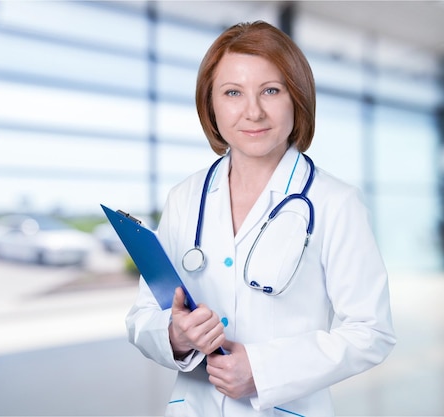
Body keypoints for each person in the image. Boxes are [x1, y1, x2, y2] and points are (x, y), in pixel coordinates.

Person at [125, 21, 396, 416]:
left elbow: (371, 332)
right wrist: (174, 336)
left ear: (297, 98)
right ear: (211, 105)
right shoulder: (185, 197)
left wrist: (264, 371)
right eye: (233, 92)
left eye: (271, 90)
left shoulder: (335, 202)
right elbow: (143, 316)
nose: (252, 111)